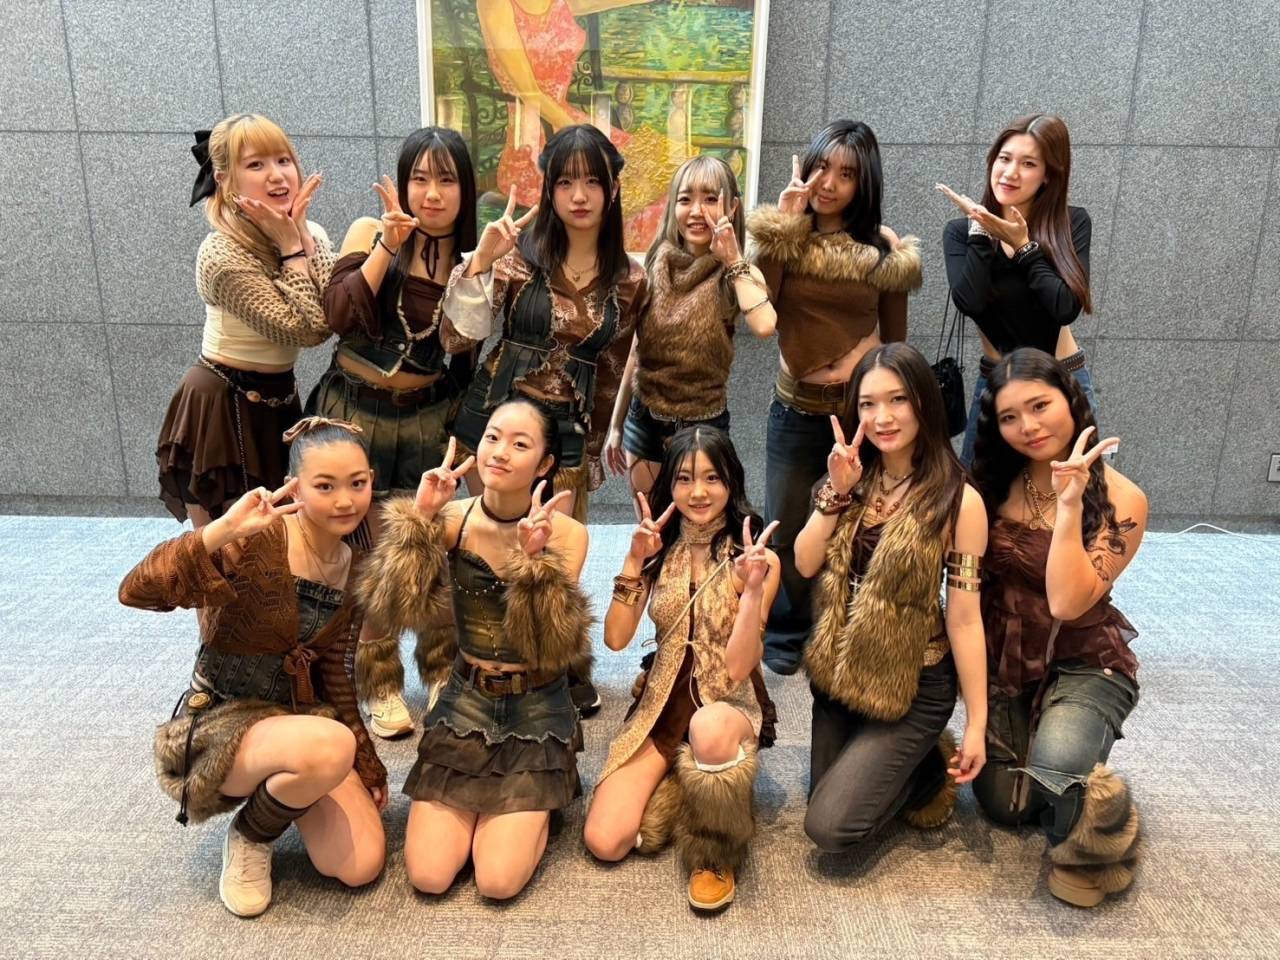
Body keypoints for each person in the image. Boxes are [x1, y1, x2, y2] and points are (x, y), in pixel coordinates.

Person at [119, 417, 387, 917]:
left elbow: (336, 676)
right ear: (295, 487)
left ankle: (286, 788)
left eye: (357, 483)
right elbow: (136, 590)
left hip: (301, 725)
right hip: (220, 722)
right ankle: (251, 835)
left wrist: (369, 765)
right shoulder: (258, 538)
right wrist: (221, 531)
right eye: (324, 486)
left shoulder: (354, 566)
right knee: (331, 746)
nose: (345, 501)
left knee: (360, 865)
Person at [357, 399, 592, 900]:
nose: (500, 452)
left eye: (520, 444)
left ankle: (543, 795)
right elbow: (391, 606)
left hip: (536, 707)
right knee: (429, 875)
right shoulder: (453, 519)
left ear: (546, 463)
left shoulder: (568, 534)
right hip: (466, 700)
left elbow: (552, 648)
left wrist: (534, 563)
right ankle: (506, 805)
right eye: (492, 437)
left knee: (497, 881)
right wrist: (421, 518)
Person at [306, 127, 478, 739]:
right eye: (419, 179)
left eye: (446, 179)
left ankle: (440, 669)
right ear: (402, 184)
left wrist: (469, 432)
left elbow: (467, 356)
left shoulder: (470, 256)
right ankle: (378, 680)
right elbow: (338, 315)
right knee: (370, 551)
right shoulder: (367, 230)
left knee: (431, 544)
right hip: (357, 412)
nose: (432, 193)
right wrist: (388, 244)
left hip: (431, 414)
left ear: (464, 190)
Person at [793, 343, 988, 853]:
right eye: (868, 404)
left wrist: (977, 722)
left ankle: (926, 773)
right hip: (843, 671)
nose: (882, 418)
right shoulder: (850, 475)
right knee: (821, 799)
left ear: (923, 401)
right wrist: (835, 494)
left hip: (912, 683)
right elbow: (806, 563)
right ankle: (899, 759)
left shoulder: (958, 500)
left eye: (898, 399)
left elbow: (965, 620)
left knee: (829, 827)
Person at [969, 348, 1146, 908]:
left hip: (1084, 662)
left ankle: (1105, 819)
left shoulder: (1123, 498)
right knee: (1007, 807)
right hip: (1009, 663)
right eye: (1010, 416)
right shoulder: (993, 484)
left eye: (1040, 406)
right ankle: (1058, 757)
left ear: (1071, 401)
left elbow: (1068, 602)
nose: (1028, 426)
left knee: (1057, 768)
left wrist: (1070, 506)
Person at [747, 119, 922, 675]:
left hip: (858, 411)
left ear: (863, 182)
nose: (829, 182)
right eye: (822, 166)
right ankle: (786, 630)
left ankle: (843, 626)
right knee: (786, 520)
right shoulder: (787, 237)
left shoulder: (882, 248)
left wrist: (894, 414)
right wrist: (783, 223)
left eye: (846, 174)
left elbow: (895, 343)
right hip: (795, 405)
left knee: (855, 522)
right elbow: (760, 303)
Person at [583, 426, 780, 912]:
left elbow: (739, 666)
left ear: (731, 482)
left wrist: (752, 591)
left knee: (709, 729)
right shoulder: (660, 548)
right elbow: (615, 639)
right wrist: (634, 560)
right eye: (685, 479)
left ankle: (716, 849)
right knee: (605, 841)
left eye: (712, 478)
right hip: (662, 704)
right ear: (668, 485)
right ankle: (689, 783)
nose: (698, 492)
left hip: (726, 705)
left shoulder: (755, 558)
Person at [157, 113, 335, 527]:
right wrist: (294, 248)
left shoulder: (311, 232)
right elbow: (305, 330)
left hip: (280, 399)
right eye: (256, 164)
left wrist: (302, 235)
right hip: (221, 404)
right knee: (229, 546)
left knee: (288, 538)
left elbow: (336, 313)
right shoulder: (221, 253)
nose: (277, 175)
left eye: (283, 160)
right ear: (224, 179)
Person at [604, 155, 776, 500]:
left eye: (711, 198)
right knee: (651, 524)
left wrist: (732, 259)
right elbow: (637, 352)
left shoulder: (737, 273)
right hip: (646, 422)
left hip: (705, 425)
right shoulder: (653, 266)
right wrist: (616, 425)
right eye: (685, 199)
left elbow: (764, 325)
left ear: (733, 207)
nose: (696, 211)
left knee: (699, 524)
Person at [937, 113, 1096, 464]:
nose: (1010, 172)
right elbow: (970, 301)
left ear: (1047, 175)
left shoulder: (1070, 223)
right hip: (996, 381)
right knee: (979, 490)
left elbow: (1065, 307)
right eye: (1004, 158)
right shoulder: (961, 233)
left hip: (1060, 379)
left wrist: (1024, 247)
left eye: (1028, 164)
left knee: (1065, 488)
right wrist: (982, 230)